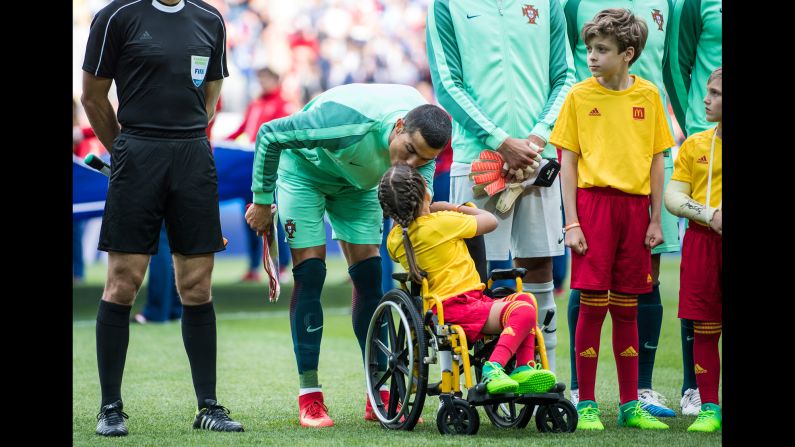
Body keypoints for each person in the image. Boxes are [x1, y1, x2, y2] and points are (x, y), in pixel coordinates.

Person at [244, 83, 452, 428]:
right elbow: (270, 134)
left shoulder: (428, 139)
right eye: (409, 150)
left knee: (370, 279)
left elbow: (420, 203)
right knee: (311, 274)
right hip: (305, 175)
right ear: (399, 126)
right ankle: (310, 397)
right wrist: (262, 200)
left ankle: (378, 390)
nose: (410, 163)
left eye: (423, 159)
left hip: (359, 188)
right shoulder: (345, 122)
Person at [81, 0, 242, 436]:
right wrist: (126, 151)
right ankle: (110, 408)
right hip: (136, 152)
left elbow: (211, 97)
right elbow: (93, 96)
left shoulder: (210, 19)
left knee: (196, 284)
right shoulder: (117, 15)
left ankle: (208, 406)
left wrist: (181, 138)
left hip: (192, 155)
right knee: (123, 281)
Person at [426, 0, 576, 375]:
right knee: (464, 273)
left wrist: (536, 139)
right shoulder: (446, 5)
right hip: (477, 161)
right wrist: (499, 140)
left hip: (535, 158)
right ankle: (456, 387)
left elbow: (565, 77)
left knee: (540, 264)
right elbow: (447, 85)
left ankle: (547, 375)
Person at [548, 8, 673, 430]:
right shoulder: (579, 96)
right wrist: (572, 222)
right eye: (589, 48)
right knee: (590, 306)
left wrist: (656, 220)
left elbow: (658, 161)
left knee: (627, 308)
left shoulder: (649, 96)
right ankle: (585, 404)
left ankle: (628, 404)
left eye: (602, 49)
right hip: (593, 208)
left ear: (628, 53)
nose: (592, 57)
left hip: (635, 212)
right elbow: (568, 162)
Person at [381, 164, 557, 395]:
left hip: (442, 311)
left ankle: (524, 369)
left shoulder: (394, 240)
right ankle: (494, 368)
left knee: (524, 303)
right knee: (525, 308)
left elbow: (404, 230)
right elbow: (490, 222)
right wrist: (454, 207)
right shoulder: (442, 222)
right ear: (426, 195)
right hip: (463, 307)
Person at [663, 0, 722, 416]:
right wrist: (709, 214)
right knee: (702, 319)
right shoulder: (698, 143)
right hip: (704, 236)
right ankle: (704, 402)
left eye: (714, 94)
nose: (706, 98)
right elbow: (673, 197)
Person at [225, 67, 294, 282]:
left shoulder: (284, 105)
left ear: (275, 80)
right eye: (259, 79)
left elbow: (282, 137)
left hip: (271, 171)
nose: (262, 83)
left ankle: (282, 266)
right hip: (250, 169)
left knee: (274, 218)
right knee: (251, 217)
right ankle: (254, 266)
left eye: (265, 79)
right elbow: (242, 130)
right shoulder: (254, 104)